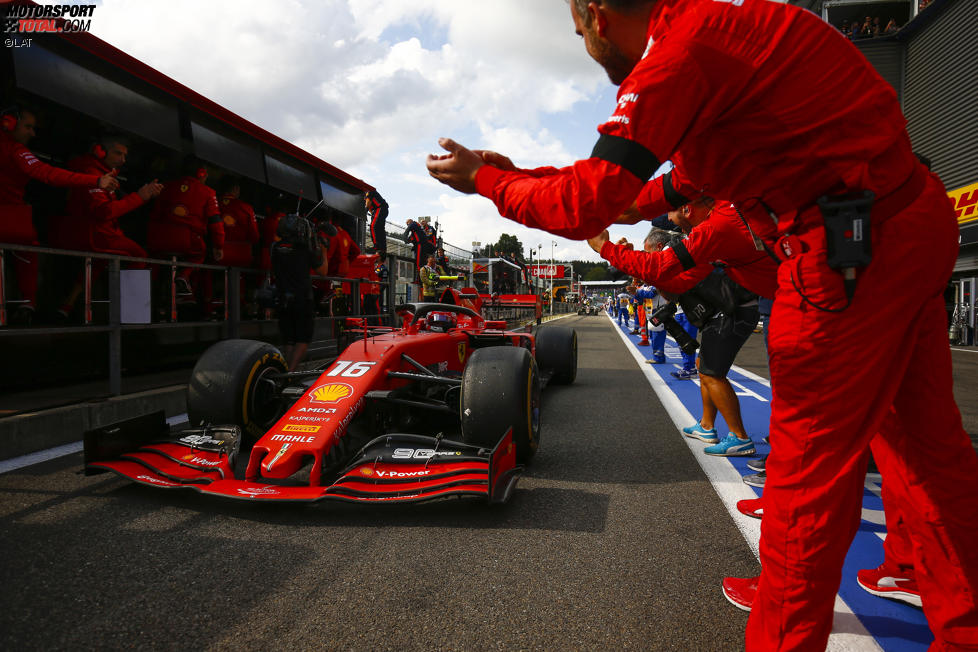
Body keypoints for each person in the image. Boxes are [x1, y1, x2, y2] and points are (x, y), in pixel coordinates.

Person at [424, 1, 978, 649]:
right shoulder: (732, 39)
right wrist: (514, 174)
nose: (583, 46)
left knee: (804, 486)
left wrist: (486, 182)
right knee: (927, 451)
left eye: (579, 34)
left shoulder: (677, 57)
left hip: (843, 256)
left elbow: (592, 202)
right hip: (904, 225)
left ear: (599, 16)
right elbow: (639, 199)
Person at [0, 104, 118, 324]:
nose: (32, 133)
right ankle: (28, 304)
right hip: (12, 218)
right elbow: (45, 173)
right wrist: (97, 182)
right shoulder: (15, 149)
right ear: (9, 123)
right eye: (28, 126)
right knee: (28, 246)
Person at [55, 135, 162, 319]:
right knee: (139, 255)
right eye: (118, 153)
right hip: (91, 234)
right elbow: (103, 213)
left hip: (83, 232)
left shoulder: (96, 172)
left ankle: (67, 305)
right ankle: (133, 314)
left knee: (99, 260)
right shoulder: (93, 173)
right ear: (100, 151)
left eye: (125, 155)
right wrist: (140, 196)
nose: (122, 160)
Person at [147, 160, 224, 313]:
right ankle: (183, 276)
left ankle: (155, 297)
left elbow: (154, 215)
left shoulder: (166, 187)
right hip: (188, 241)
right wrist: (219, 245)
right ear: (201, 174)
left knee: (158, 261)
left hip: (160, 241)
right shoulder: (208, 192)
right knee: (200, 254)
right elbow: (215, 223)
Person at [271, 213, 322, 371]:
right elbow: (322, 269)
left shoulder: (275, 248)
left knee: (289, 340)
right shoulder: (304, 249)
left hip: (282, 298)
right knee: (302, 339)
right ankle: (290, 373)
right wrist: (321, 248)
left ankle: (287, 371)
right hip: (302, 299)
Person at [402, 218, 426, 282]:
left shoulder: (414, 224)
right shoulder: (416, 230)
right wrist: (408, 240)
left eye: (407, 224)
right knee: (420, 263)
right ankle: (420, 279)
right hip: (420, 246)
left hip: (420, 246)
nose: (407, 225)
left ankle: (419, 280)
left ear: (410, 222)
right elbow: (411, 238)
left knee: (419, 263)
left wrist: (405, 237)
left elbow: (408, 230)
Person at [365, 189, 388, 256]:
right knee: (380, 228)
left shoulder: (368, 191)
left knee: (373, 226)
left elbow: (368, 204)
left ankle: (376, 246)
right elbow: (369, 207)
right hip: (380, 209)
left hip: (380, 208)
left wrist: (364, 212)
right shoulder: (367, 194)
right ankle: (383, 247)